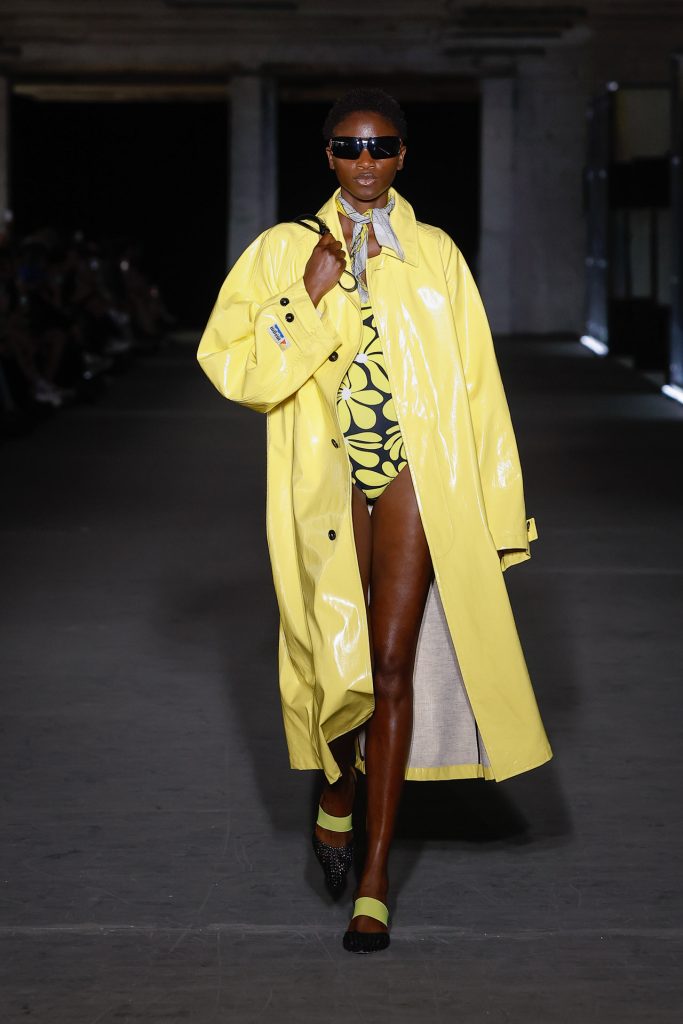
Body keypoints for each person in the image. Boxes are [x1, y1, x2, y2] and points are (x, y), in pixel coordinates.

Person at [197, 87, 552, 954]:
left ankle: (375, 876)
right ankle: (337, 791)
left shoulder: (435, 254)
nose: (366, 162)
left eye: (381, 146)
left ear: (402, 156)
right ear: (327, 155)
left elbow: (478, 388)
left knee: (390, 663)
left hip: (415, 476)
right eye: (350, 147)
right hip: (323, 480)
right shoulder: (282, 251)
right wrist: (302, 298)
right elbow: (232, 368)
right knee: (339, 660)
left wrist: (501, 509)